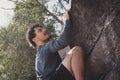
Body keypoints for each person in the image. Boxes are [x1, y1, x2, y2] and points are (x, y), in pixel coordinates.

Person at [26, 11, 84, 80]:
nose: (44, 29)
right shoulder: (45, 48)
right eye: (40, 30)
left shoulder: (39, 54)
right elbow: (63, 41)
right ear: (34, 39)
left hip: (55, 76)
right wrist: (67, 21)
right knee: (76, 50)